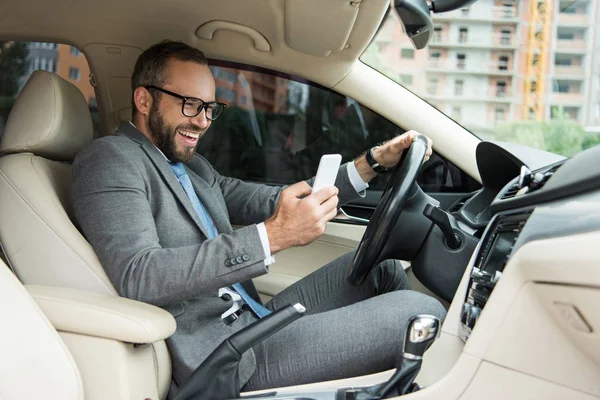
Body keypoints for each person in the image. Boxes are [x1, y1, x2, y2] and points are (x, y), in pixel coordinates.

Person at [70, 40, 446, 393]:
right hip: (222, 356)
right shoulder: (110, 159)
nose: (202, 121)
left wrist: (373, 163)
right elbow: (140, 275)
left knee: (384, 268)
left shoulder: (194, 167)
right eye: (190, 105)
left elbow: (273, 201)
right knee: (420, 312)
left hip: (253, 319)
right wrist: (274, 236)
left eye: (209, 108)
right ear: (143, 99)